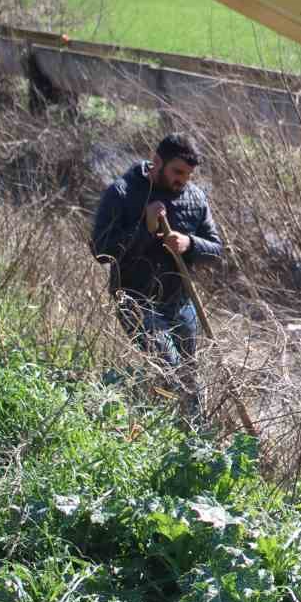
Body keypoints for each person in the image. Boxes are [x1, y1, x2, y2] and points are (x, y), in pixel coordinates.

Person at [90, 133, 223, 420]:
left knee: (190, 376)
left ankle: (195, 440)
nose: (182, 180)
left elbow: (216, 250)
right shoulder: (123, 192)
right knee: (171, 370)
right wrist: (145, 229)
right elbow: (101, 251)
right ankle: (145, 425)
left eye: (188, 174)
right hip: (135, 300)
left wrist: (190, 244)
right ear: (157, 161)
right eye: (177, 172)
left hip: (179, 301)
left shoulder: (195, 197)